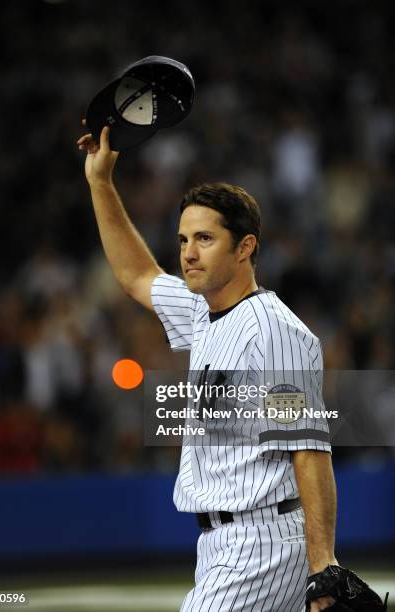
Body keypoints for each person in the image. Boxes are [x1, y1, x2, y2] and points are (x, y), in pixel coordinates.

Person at [77, 125, 338, 612]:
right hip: (221, 543)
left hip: (263, 541)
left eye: (205, 238)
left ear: (245, 248)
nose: (189, 253)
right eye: (182, 239)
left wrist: (324, 569)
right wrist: (101, 184)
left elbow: (308, 450)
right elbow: (137, 275)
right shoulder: (203, 309)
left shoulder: (273, 331)